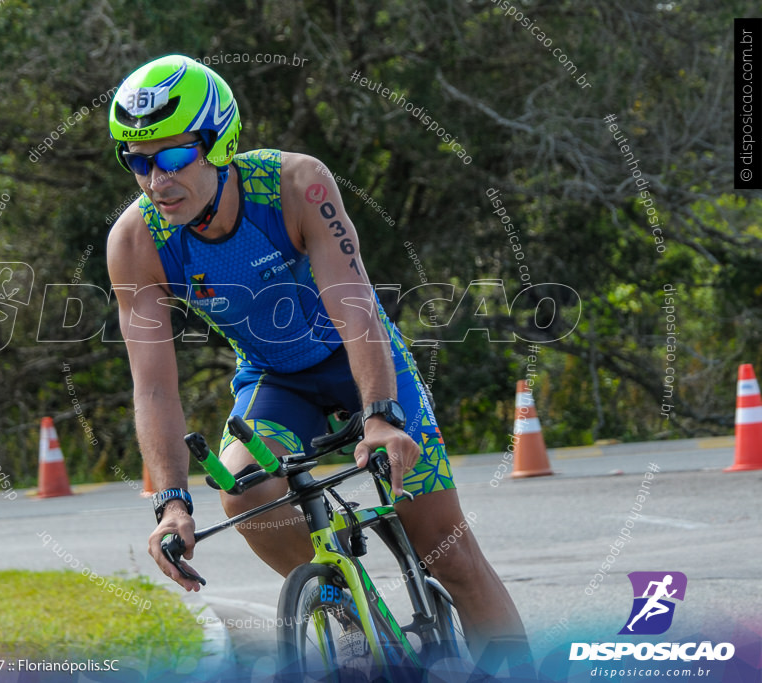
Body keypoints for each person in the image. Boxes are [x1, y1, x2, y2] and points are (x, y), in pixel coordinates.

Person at [105, 54, 528, 667]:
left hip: (361, 363)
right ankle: (353, 612)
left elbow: (355, 308)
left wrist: (381, 416)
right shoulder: (137, 241)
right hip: (277, 380)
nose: (155, 180)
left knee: (452, 556)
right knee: (243, 486)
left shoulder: (294, 184)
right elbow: (153, 390)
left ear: (220, 140)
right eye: (137, 161)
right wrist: (171, 504)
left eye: (172, 157)